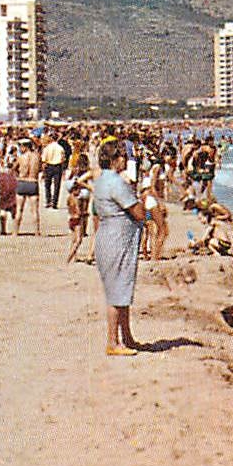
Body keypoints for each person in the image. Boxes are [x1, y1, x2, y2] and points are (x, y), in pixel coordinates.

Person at [92, 138, 147, 356]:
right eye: (123, 155)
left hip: (110, 237)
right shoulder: (115, 182)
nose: (126, 159)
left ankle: (127, 336)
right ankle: (113, 341)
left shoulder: (102, 180)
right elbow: (139, 212)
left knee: (122, 288)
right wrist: (150, 210)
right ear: (115, 159)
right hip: (117, 240)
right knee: (118, 291)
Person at [64, 154, 94, 263]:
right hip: (83, 199)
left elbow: (68, 179)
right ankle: (69, 258)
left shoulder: (74, 170)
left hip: (72, 216)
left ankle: (74, 256)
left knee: (74, 237)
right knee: (79, 237)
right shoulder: (87, 170)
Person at [14, 139, 43, 235]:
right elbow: (40, 169)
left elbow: (14, 168)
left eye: (21, 146)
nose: (20, 149)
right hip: (33, 182)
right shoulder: (37, 157)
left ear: (25, 146)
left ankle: (15, 232)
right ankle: (37, 232)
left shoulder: (21, 157)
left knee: (19, 209)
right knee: (34, 210)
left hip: (22, 182)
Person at [40, 132, 67, 210]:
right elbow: (63, 159)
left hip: (48, 166)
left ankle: (48, 201)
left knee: (47, 185)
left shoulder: (47, 148)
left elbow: (44, 160)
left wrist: (43, 171)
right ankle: (55, 203)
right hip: (58, 167)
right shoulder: (60, 148)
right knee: (57, 185)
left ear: (51, 138)